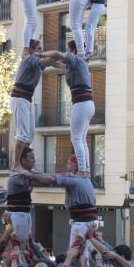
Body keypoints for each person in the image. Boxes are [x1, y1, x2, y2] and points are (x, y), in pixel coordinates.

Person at [40, 42, 95, 175]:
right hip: (86, 103)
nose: (66, 53)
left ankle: (82, 170)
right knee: (81, 139)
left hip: (81, 103)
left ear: (74, 51)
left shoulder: (77, 60)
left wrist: (39, 54)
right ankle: (85, 169)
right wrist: (39, 60)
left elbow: (57, 55)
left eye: (67, 50)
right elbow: (57, 63)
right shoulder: (75, 65)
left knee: (76, 138)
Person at [5, 148, 55, 242]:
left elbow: (48, 178)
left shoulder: (29, 172)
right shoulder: (16, 176)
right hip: (17, 214)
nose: (34, 160)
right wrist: (30, 175)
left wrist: (31, 175)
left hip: (24, 213)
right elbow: (44, 180)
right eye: (31, 158)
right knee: (20, 244)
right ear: (23, 160)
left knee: (26, 242)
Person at [10, 39, 46, 167]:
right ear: (31, 50)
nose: (41, 52)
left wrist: (71, 62)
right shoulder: (29, 59)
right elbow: (48, 59)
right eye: (39, 49)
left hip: (27, 99)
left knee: (29, 136)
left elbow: (54, 62)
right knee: (22, 134)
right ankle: (16, 165)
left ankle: (22, 164)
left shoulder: (38, 62)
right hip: (19, 98)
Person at [52, 155, 98, 245]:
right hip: (89, 220)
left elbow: (52, 179)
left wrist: (32, 175)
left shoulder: (75, 180)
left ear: (76, 166)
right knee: (83, 253)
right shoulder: (86, 179)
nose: (67, 166)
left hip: (82, 222)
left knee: (74, 250)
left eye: (69, 163)